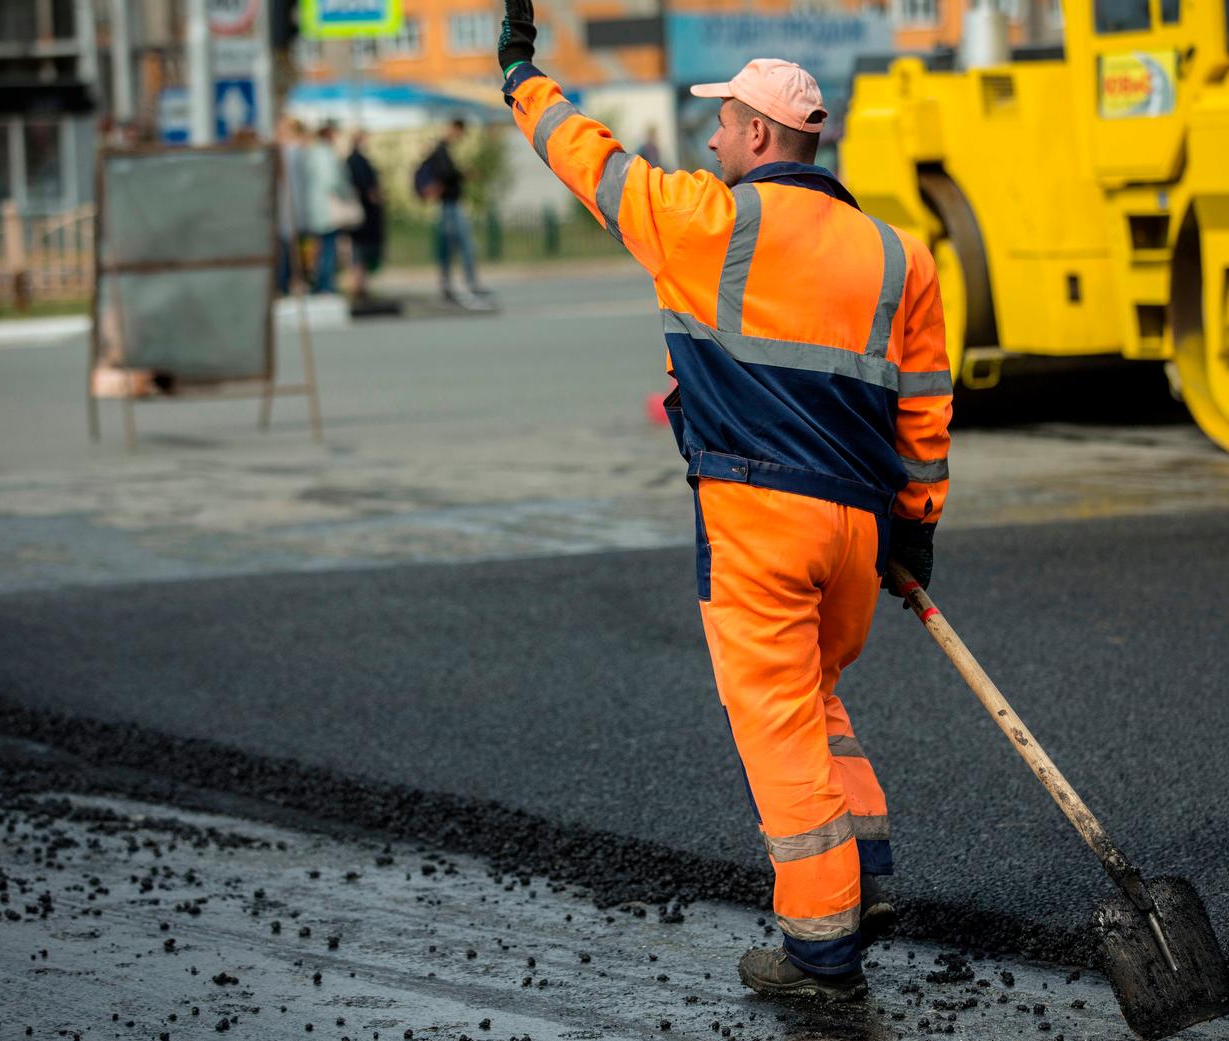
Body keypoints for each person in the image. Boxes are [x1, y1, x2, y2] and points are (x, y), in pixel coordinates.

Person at [497, 0, 952, 1005]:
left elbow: (588, 160)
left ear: (759, 134)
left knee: (778, 728)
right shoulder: (898, 255)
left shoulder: (706, 223)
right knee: (818, 699)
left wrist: (521, 75)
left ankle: (820, 949)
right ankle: (864, 875)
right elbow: (923, 410)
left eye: (721, 124)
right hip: (857, 531)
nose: (709, 140)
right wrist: (917, 535)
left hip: (758, 522)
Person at [415, 119, 492, 307]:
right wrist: (463, 175)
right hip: (449, 205)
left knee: (449, 246)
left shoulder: (441, 149)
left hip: (449, 205)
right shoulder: (441, 149)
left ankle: (449, 284)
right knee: (463, 245)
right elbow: (445, 174)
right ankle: (468, 284)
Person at [301, 122, 350, 295]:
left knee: (321, 247)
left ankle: (321, 282)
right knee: (327, 248)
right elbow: (332, 181)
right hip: (327, 210)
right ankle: (325, 284)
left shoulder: (313, 153)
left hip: (317, 209)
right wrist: (346, 195)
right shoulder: (325, 154)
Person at [347, 129, 386, 301]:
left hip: (364, 213)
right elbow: (366, 187)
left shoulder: (356, 160)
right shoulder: (356, 161)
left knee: (360, 250)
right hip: (363, 213)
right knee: (360, 250)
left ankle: (359, 283)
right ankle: (357, 284)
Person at [275, 117, 309, 294]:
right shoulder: (287, 151)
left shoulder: (290, 151)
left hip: (288, 206)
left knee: (288, 247)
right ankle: (284, 282)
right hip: (284, 206)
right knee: (285, 248)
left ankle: (287, 282)